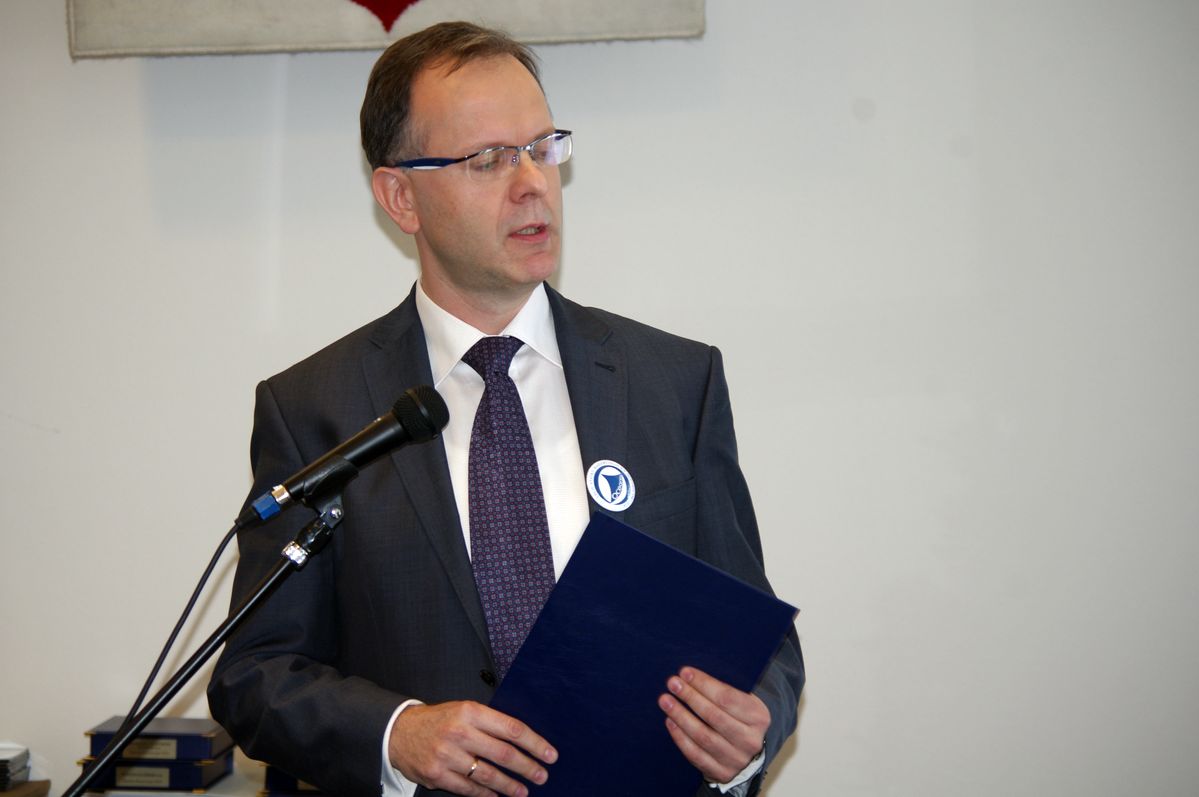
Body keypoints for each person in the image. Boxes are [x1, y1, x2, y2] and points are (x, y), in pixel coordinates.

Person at [208, 20, 803, 797]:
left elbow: (759, 642)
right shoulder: (316, 408)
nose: (532, 183)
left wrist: (750, 730)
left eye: (541, 148)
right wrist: (397, 734)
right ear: (400, 197)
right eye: (488, 159)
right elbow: (254, 674)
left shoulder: (672, 382)